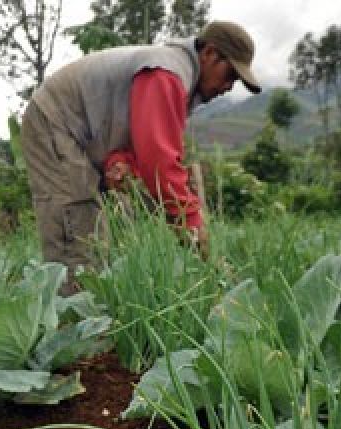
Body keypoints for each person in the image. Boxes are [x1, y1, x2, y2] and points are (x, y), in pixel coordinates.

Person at [22, 20, 262, 276]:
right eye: (230, 76)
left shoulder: (179, 79)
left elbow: (139, 142)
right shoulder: (166, 73)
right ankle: (71, 311)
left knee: (106, 231)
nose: (228, 87)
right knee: (77, 229)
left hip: (85, 134)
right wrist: (190, 221)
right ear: (210, 54)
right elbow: (160, 162)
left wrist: (120, 161)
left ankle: (88, 305)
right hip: (57, 121)